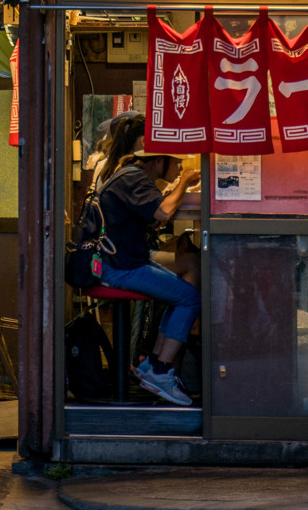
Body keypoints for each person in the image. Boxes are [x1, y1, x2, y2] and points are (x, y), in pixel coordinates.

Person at [94, 116, 202, 406]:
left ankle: (154, 363)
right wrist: (185, 182)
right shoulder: (133, 176)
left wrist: (176, 186)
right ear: (158, 160)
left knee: (186, 284)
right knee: (190, 299)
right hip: (116, 267)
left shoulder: (132, 173)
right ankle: (161, 369)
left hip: (120, 258)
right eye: (176, 162)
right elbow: (164, 213)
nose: (179, 167)